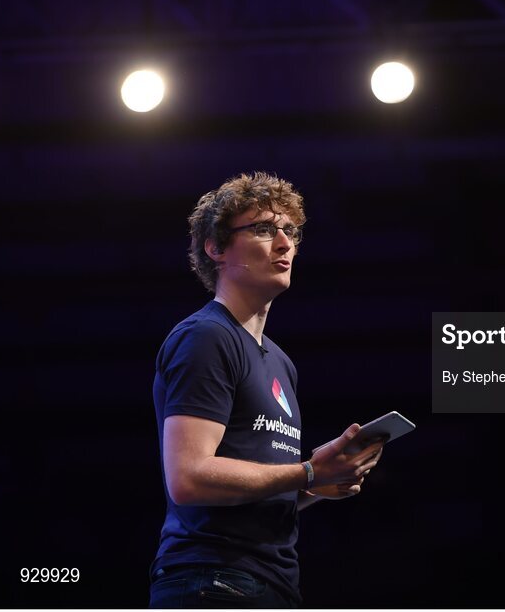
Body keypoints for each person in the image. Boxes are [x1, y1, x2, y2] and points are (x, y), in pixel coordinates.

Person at [149, 172, 383, 608]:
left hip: (270, 584)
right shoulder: (206, 336)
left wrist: (318, 484)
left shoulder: (280, 363)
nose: (284, 244)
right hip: (213, 580)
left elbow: (258, 487)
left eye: (290, 231)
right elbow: (188, 478)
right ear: (216, 248)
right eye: (262, 230)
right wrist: (310, 471)